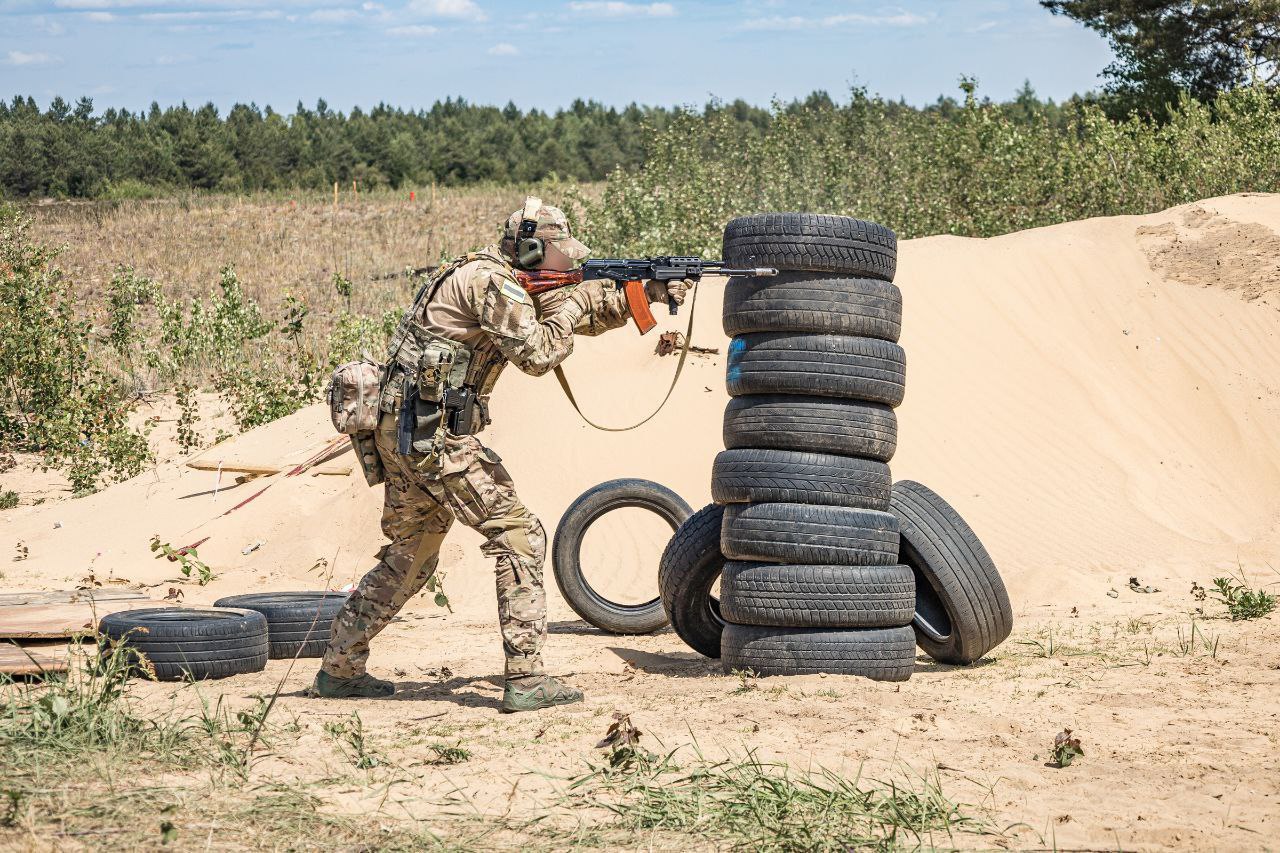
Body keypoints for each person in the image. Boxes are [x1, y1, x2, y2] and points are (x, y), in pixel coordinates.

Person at [312, 197, 692, 712]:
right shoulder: (493, 283)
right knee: (519, 534)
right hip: (434, 438)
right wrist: (578, 303)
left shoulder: (492, 276)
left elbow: (563, 309)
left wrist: (639, 294)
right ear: (533, 250)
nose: (571, 266)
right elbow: (539, 352)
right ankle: (527, 677)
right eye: (562, 255)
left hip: (405, 435)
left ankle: (340, 666)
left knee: (411, 554)